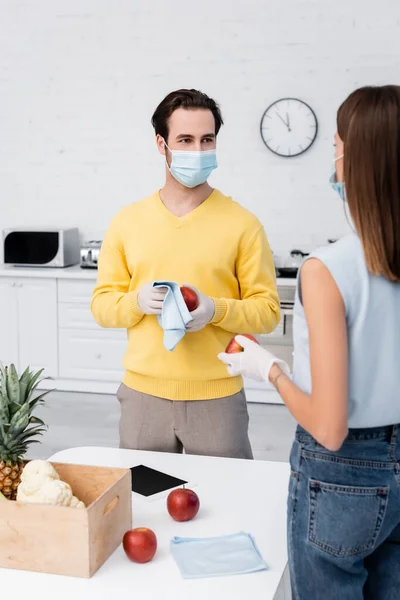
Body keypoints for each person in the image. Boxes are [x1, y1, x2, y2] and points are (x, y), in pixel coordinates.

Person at [218, 85, 400, 598]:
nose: (333, 161)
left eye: (337, 147)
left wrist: (268, 369)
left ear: (358, 161)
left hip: (343, 476)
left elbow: (330, 426)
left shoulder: (328, 269)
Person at [91, 89, 280, 459]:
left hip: (218, 399)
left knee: (229, 502)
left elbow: (268, 311)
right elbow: (102, 306)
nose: (198, 150)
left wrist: (216, 310)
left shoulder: (243, 225)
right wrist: (136, 302)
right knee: (140, 503)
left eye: (207, 139)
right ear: (162, 145)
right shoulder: (127, 223)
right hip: (142, 396)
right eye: (185, 140)